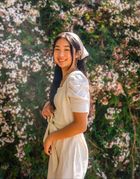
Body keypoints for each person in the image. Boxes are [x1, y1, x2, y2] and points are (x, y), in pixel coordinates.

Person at [41, 31, 90, 179]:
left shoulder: (76, 79)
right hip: (61, 146)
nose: (61, 54)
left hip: (71, 148)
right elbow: (65, 105)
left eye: (67, 50)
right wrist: (50, 106)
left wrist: (51, 138)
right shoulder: (64, 79)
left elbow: (81, 125)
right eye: (57, 49)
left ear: (78, 54)